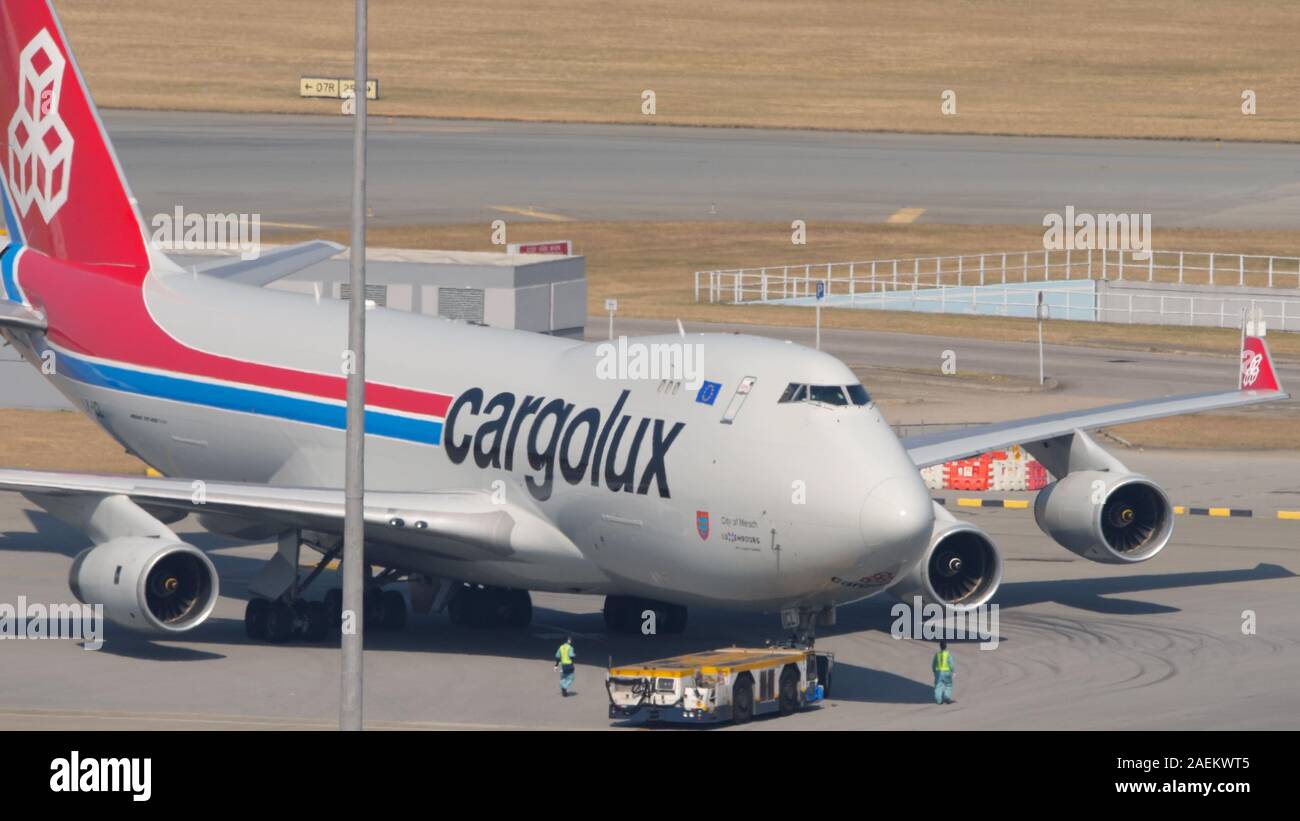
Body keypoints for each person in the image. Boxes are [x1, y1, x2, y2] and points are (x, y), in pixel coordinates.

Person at [933, 640, 954, 705]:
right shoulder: (948, 654)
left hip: (938, 672)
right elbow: (951, 663)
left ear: (940, 646)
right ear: (946, 646)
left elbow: (933, 664)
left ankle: (939, 700)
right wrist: (953, 671)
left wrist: (934, 671)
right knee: (948, 685)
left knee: (938, 686)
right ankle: (947, 697)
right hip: (947, 672)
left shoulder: (937, 655)